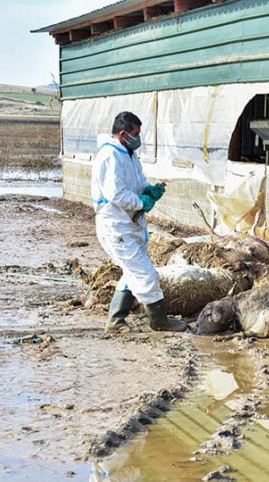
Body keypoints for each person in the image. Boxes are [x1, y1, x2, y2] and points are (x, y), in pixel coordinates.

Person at [91, 111, 186, 333]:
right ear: (123, 134)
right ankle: (158, 321)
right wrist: (141, 202)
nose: (138, 139)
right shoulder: (110, 156)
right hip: (116, 226)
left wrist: (148, 190)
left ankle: (116, 320)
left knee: (131, 272)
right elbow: (117, 194)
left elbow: (136, 184)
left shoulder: (128, 154)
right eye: (136, 134)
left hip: (129, 225)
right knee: (145, 274)